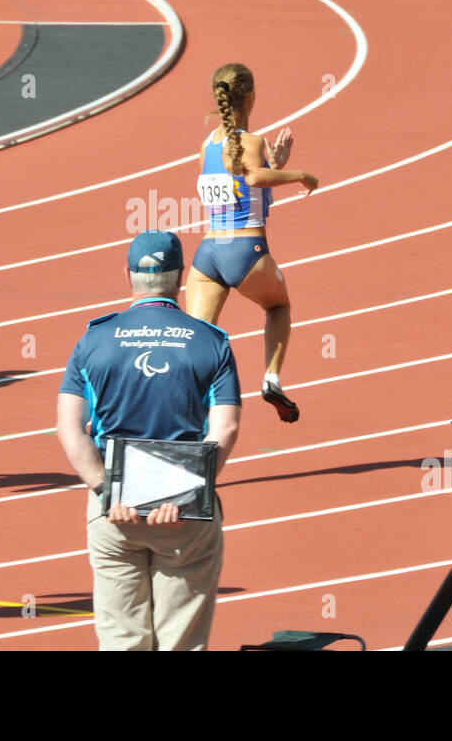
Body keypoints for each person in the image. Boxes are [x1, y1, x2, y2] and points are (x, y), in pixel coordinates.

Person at [56, 231, 241, 650]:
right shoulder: (210, 341)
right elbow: (225, 428)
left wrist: (105, 489)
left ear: (128, 275)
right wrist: (185, 493)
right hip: (183, 514)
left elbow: (69, 428)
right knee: (181, 639)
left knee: (122, 638)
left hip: (112, 510)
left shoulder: (93, 340)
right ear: (182, 280)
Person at [184, 63, 318, 423]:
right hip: (246, 251)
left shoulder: (205, 146)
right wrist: (298, 174)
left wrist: (274, 163)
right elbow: (253, 178)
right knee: (278, 307)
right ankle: (271, 378)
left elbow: (238, 186)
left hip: (208, 253)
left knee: (198, 337)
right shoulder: (252, 142)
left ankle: (188, 396)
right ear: (251, 97)